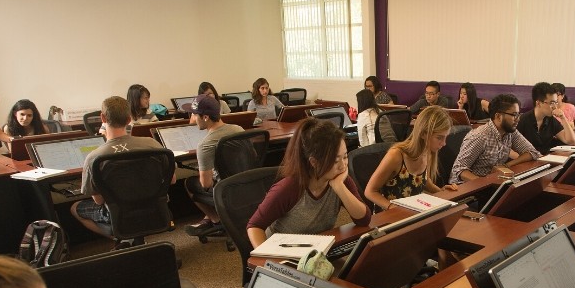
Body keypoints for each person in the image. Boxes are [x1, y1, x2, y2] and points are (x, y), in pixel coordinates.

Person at [247, 118, 371, 248]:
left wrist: (339, 187)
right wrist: (268, 259)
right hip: (284, 253)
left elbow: (364, 220)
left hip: (316, 250)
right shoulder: (289, 188)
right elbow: (255, 226)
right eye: (335, 161)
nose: (343, 166)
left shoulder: (340, 180)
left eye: (345, 156)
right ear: (314, 162)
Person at [70, 96, 171, 239]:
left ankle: (121, 238)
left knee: (75, 208)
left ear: (103, 118)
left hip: (118, 213)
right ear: (129, 119)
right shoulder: (152, 144)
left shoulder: (95, 158)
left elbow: (98, 201)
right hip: (155, 208)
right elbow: (171, 180)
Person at [364, 106, 459, 210]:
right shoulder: (396, 156)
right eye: (439, 137)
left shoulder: (427, 152)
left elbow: (422, 180)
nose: (444, 143)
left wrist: (440, 191)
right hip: (389, 215)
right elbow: (370, 191)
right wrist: (393, 208)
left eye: (446, 137)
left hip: (413, 213)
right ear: (423, 133)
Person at [183, 95, 245, 238]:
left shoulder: (205, 145)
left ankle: (217, 220)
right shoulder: (238, 129)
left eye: (194, 114)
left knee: (189, 183)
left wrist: (202, 168)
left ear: (205, 117)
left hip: (224, 189)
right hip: (244, 184)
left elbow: (206, 184)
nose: (192, 118)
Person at [449, 93, 541, 184]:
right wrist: (486, 183)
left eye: (518, 114)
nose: (518, 119)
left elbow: (532, 152)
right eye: (514, 115)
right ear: (498, 116)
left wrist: (507, 165)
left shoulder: (510, 132)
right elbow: (459, 170)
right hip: (472, 187)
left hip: (495, 183)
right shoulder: (480, 136)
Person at [516, 82, 575, 154]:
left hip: (545, 159)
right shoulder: (522, 120)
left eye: (556, 102)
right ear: (538, 103)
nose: (555, 107)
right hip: (528, 161)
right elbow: (511, 149)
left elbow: (571, 141)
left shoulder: (550, 120)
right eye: (551, 103)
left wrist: (563, 118)